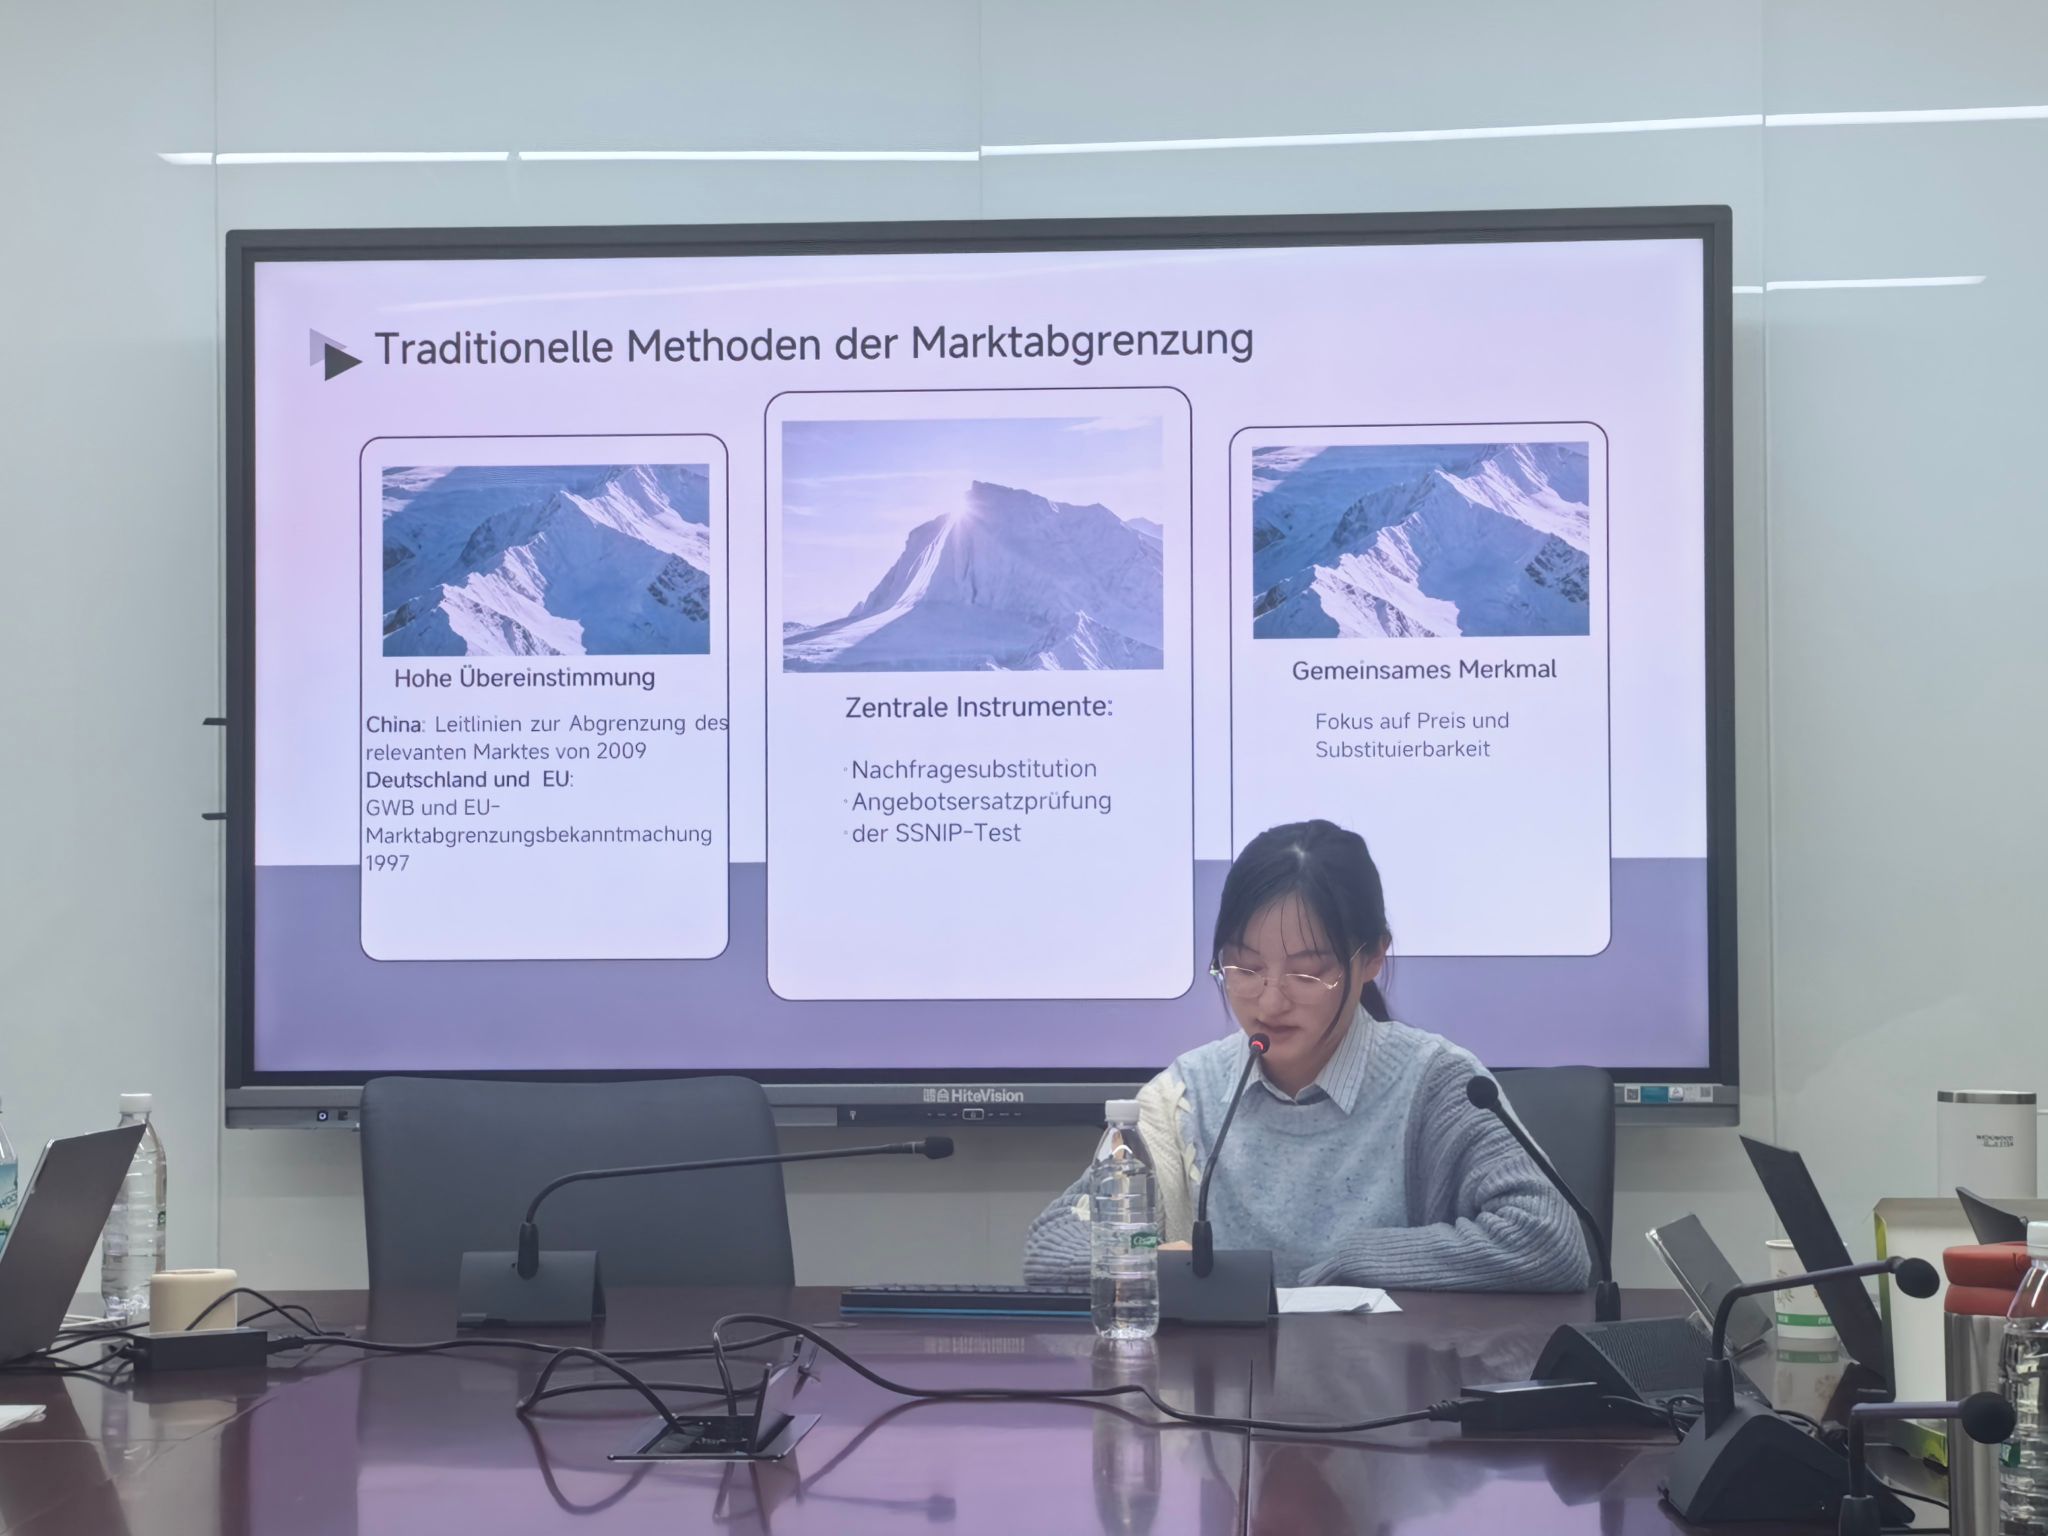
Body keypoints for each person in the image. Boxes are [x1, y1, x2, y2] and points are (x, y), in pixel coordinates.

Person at [1023, 819, 1592, 1291]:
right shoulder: (1186, 1098)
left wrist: (1355, 1260)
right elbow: (1052, 1250)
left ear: (1371, 959)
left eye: (1308, 972)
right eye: (1245, 968)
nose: (1270, 1001)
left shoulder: (1434, 1084)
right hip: (1222, 1390)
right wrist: (1159, 1254)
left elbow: (1551, 1241)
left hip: (1392, 1386)